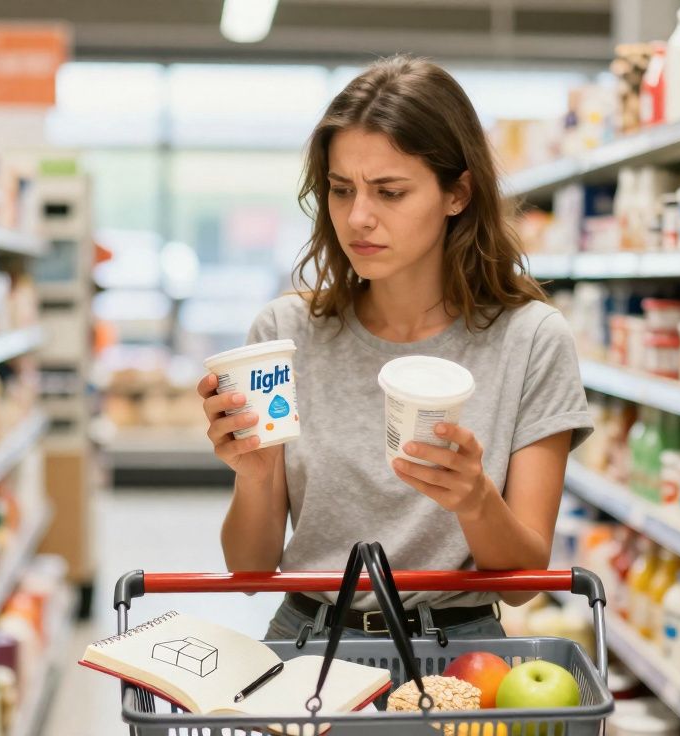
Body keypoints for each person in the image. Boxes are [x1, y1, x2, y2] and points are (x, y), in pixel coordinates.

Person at [196, 55, 592, 641]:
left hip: (457, 654)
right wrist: (255, 477)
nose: (358, 218)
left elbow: (522, 584)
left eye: (390, 192)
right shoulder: (284, 335)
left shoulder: (530, 339)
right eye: (340, 190)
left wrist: (475, 500)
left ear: (458, 193)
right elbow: (250, 572)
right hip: (308, 647)